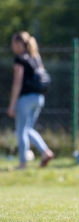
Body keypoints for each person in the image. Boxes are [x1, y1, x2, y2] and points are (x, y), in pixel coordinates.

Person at [7, 31, 54, 169]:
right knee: (28, 129)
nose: (11, 46)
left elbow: (17, 83)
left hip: (25, 99)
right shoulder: (36, 58)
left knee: (21, 130)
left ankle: (22, 163)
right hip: (39, 98)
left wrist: (12, 104)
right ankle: (45, 152)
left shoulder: (20, 59)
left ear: (19, 43)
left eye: (13, 43)